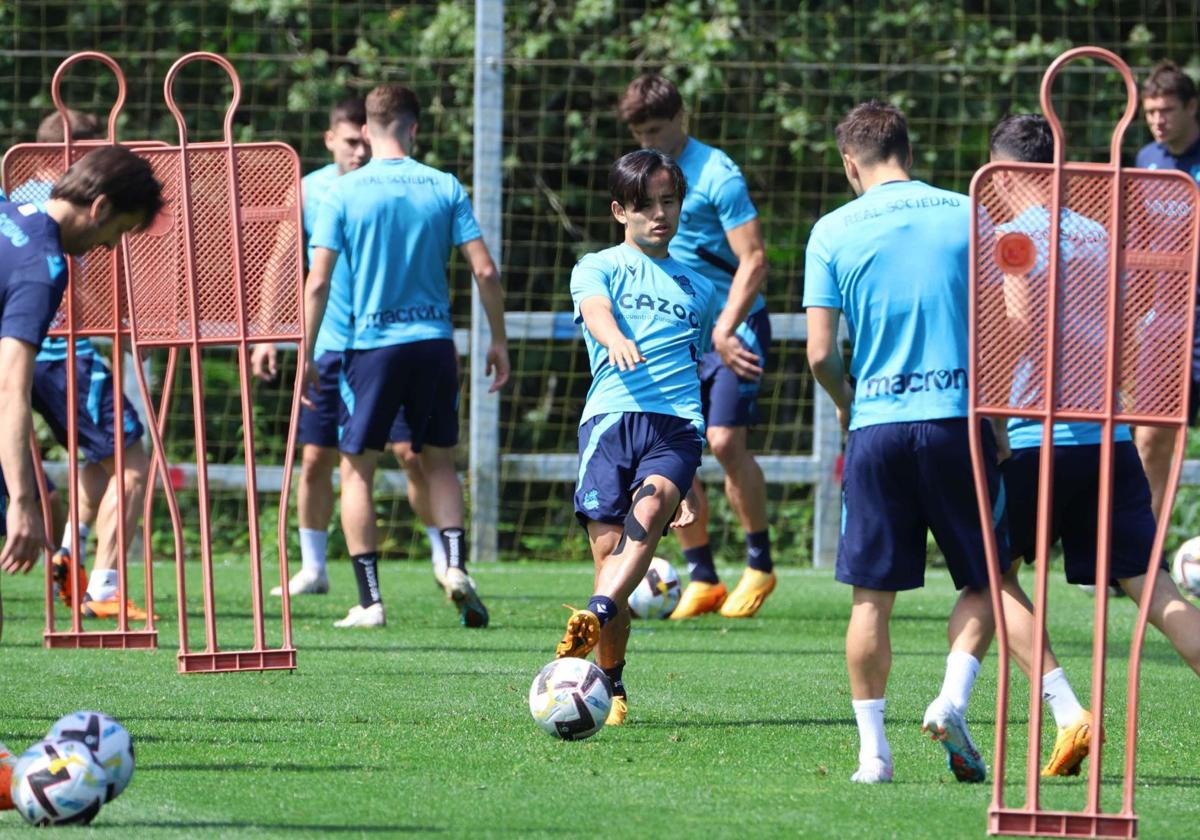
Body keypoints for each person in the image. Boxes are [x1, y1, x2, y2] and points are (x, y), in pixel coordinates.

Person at [804, 102, 1050, 785]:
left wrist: (850, 403)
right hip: (955, 422)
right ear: (907, 151)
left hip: (876, 427)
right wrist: (994, 410)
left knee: (869, 599)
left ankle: (871, 755)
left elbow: (820, 353)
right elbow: (1015, 324)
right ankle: (950, 697)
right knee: (987, 580)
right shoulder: (969, 209)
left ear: (849, 162)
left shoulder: (830, 231)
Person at [987, 114, 1200, 772]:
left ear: (1005, 171)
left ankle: (1066, 709)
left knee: (991, 578)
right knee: (1151, 585)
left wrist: (991, 412)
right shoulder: (1101, 236)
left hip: (1031, 432)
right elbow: (1125, 330)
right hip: (1105, 432)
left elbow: (1017, 329)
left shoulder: (1012, 237)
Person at [303, 84, 509, 629]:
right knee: (439, 460)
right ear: (414, 129)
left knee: (357, 472)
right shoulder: (444, 185)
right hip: (434, 343)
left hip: (370, 348)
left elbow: (318, 281)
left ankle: (370, 600)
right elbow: (485, 270)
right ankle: (457, 565)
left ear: (367, 131)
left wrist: (305, 350)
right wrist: (498, 338)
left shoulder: (342, 193)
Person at [253, 98, 453, 596]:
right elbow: (283, 263)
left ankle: (443, 558)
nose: (360, 151)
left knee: (411, 453)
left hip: (381, 346)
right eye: (350, 143)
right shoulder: (311, 191)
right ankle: (314, 567)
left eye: (366, 141)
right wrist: (270, 332)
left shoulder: (391, 186)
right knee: (317, 458)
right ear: (330, 140)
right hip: (329, 347)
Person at [554, 148, 716, 727]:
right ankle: (611, 681)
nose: (660, 215)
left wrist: (688, 484)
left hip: (676, 425)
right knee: (608, 557)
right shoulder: (597, 266)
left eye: (669, 202)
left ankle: (595, 612)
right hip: (609, 421)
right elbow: (594, 311)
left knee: (647, 515)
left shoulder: (699, 288)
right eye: (646, 206)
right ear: (621, 210)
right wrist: (615, 336)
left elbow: (697, 370)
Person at [618, 75, 774, 619]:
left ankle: (759, 563)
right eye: (640, 132)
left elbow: (754, 259)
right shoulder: (645, 177)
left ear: (681, 118)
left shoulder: (717, 174)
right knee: (676, 448)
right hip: (681, 329)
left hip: (734, 322)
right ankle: (703, 576)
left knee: (726, 440)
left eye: (657, 129)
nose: (649, 141)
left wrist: (725, 328)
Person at [0, 146, 163, 638]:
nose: (112, 248)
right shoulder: (44, 268)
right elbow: (11, 384)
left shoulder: (7, 207)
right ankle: (103, 588)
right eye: (119, 233)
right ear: (100, 208)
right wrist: (23, 501)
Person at [1133, 60, 1200, 523]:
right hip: (1164, 330)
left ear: (1192, 108)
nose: (1158, 119)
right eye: (1151, 111)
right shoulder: (1146, 160)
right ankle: (1144, 556)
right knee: (1149, 440)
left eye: (1168, 110)